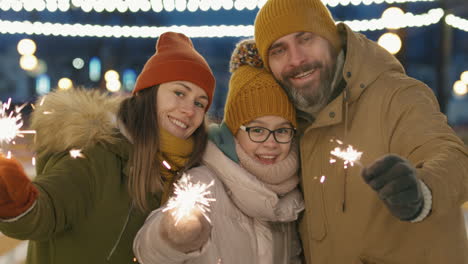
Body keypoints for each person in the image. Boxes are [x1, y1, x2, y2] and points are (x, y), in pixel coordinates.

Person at [254, 0, 468, 263]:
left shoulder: (395, 95)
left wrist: (420, 190)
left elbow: (454, 157)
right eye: (279, 50)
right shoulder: (286, 129)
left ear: (331, 40)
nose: (296, 59)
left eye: (306, 39)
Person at [0, 31, 216, 264]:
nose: (189, 110)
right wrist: (13, 194)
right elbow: (45, 211)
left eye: (199, 103)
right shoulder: (97, 154)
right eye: (179, 93)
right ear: (149, 93)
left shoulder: (195, 174)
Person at [133, 39, 304, 264]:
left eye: (281, 130)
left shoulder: (291, 197)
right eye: (257, 130)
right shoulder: (203, 183)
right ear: (233, 132)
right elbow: (149, 250)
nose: (270, 143)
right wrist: (173, 235)